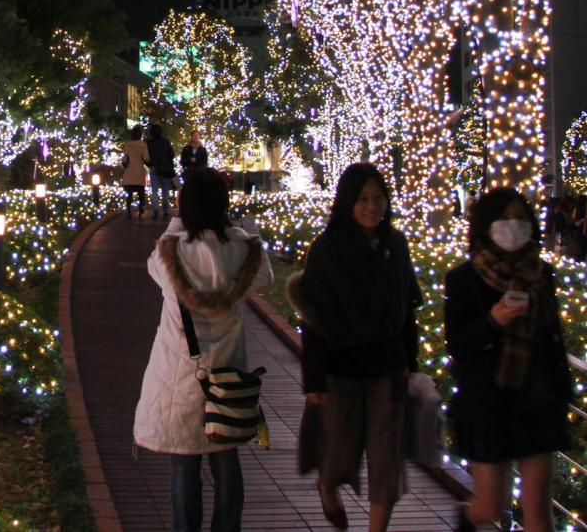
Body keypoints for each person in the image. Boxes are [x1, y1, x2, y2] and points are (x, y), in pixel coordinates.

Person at [134, 167, 271, 532]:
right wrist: (251, 230)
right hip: (228, 373)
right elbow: (265, 276)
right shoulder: (242, 248)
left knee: (184, 464)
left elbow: (153, 265)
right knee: (227, 461)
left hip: (181, 374)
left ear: (185, 206)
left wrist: (176, 223)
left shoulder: (174, 251)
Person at [294, 162, 422, 532]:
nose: (372, 206)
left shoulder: (395, 244)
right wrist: (314, 381)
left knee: (386, 461)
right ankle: (327, 487)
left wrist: (412, 366)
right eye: (363, 198)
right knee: (338, 453)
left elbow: (407, 310)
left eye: (378, 197)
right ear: (347, 202)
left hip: (388, 366)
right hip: (341, 367)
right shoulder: (328, 248)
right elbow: (312, 318)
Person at [445, 187, 572, 532]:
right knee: (491, 506)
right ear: (486, 226)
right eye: (504, 219)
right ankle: (467, 518)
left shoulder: (541, 274)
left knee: (538, 513)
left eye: (520, 219)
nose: (513, 226)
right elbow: (458, 344)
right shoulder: (464, 279)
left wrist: (562, 390)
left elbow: (552, 337)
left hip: (538, 400)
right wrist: (493, 320)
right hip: (489, 405)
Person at [147, 123, 177, 219]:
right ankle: (166, 211)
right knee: (165, 190)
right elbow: (172, 154)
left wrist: (150, 164)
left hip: (154, 167)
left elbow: (147, 157)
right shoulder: (165, 142)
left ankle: (155, 210)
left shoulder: (149, 143)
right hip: (165, 168)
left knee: (154, 190)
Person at [121, 124, 150, 219]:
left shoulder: (128, 144)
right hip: (139, 170)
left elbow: (124, 159)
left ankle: (129, 209)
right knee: (141, 191)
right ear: (140, 134)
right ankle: (141, 209)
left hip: (129, 170)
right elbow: (146, 158)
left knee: (129, 192)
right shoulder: (143, 145)